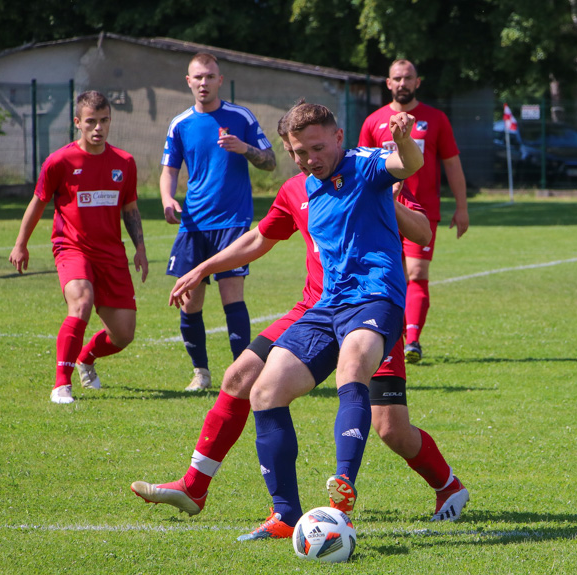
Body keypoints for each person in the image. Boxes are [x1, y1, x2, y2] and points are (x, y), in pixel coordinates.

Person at [130, 109, 468, 538]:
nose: (308, 158)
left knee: (390, 426)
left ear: (339, 136)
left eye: (317, 148)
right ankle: (261, 507)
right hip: (320, 307)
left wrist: (394, 167)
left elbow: (419, 217)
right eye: (297, 152)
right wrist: (201, 269)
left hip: (373, 303)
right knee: (252, 383)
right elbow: (258, 237)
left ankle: (409, 484)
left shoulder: (369, 166)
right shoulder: (296, 189)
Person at [9, 91, 148, 404]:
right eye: (91, 121)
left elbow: (130, 208)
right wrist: (21, 243)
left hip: (112, 254)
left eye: (104, 120)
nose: (98, 127)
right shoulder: (59, 161)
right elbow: (38, 202)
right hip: (72, 248)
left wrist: (140, 248)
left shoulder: (124, 162)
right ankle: (62, 384)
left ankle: (86, 358)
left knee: (123, 334)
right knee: (82, 302)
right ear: (77, 123)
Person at [160, 52, 276, 391]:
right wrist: (168, 198)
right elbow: (169, 170)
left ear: (220, 80)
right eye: (198, 77)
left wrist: (244, 148)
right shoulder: (180, 123)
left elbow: (270, 161)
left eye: (210, 76)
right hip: (194, 223)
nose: (204, 83)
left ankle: (244, 375)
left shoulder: (240, 117)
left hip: (233, 222)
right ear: (188, 81)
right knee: (190, 299)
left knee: (232, 296)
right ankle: (201, 373)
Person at [359, 59, 469, 363]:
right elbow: (362, 168)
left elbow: (452, 163)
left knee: (418, 273)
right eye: (397, 78)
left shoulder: (435, 119)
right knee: (388, 275)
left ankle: (413, 342)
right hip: (384, 211)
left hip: (423, 211)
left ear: (417, 82)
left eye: (408, 78)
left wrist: (461, 207)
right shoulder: (373, 122)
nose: (403, 83)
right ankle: (392, 337)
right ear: (388, 83)